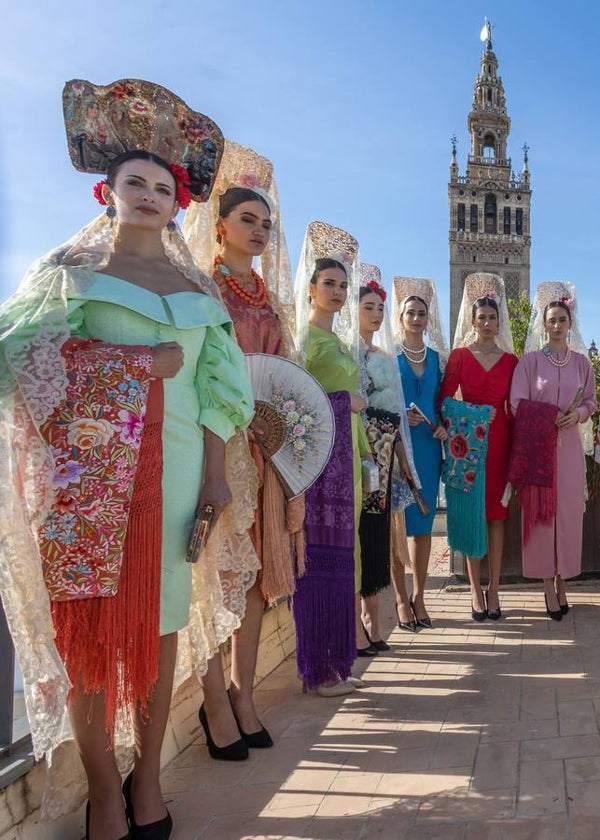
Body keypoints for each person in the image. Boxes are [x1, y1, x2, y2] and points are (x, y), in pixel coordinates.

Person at [0, 78, 255, 840]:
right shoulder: (66, 276)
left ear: (180, 203)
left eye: (162, 187)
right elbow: (17, 362)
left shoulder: (197, 289)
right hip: (84, 484)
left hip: (178, 479)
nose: (148, 195)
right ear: (105, 193)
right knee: (87, 633)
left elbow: (220, 395)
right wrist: (133, 366)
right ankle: (105, 792)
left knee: (163, 622)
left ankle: (148, 780)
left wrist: (215, 479)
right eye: (132, 183)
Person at [182, 141, 300, 760]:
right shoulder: (201, 291)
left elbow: (282, 379)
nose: (257, 231)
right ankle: (213, 704)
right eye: (246, 220)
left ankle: (243, 693)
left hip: (260, 458)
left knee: (252, 584)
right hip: (210, 451)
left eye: (265, 223)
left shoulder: (268, 302)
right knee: (210, 582)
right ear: (220, 225)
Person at [292, 221, 369, 697]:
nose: (338, 292)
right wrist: (350, 401)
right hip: (320, 464)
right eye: (329, 284)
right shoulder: (305, 342)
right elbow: (299, 400)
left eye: (343, 285)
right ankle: (317, 670)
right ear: (311, 288)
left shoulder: (337, 341)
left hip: (344, 459)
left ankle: (335, 663)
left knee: (343, 557)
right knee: (320, 559)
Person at [509, 283, 598, 619]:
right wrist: (547, 418)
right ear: (543, 324)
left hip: (571, 450)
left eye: (562, 319)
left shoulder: (581, 364)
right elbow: (516, 403)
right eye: (552, 320)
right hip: (539, 451)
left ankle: (564, 580)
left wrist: (579, 414)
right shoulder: (530, 363)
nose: (557, 325)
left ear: (570, 323)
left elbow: (591, 399)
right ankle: (547, 583)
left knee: (569, 514)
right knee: (544, 515)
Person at [439, 274, 517, 621]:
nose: (487, 323)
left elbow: (514, 408)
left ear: (499, 321)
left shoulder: (511, 361)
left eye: (492, 317)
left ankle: (495, 589)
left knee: (497, 519)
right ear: (472, 321)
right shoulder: (459, 356)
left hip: (500, 445)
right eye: (481, 317)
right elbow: (443, 399)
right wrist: (470, 417)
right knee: (473, 516)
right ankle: (474, 589)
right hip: (468, 446)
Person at [355, 266, 419, 643]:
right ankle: (359, 626)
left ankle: (373, 623)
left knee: (377, 536)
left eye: (380, 307)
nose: (376, 314)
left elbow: (393, 415)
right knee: (357, 537)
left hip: (382, 457)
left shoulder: (384, 356)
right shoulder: (346, 353)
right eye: (369, 306)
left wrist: (402, 458)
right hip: (352, 451)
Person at [392, 277, 449, 628]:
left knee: (423, 526)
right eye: (410, 313)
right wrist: (401, 418)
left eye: (421, 313)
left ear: (428, 320)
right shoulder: (389, 357)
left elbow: (442, 403)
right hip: (398, 448)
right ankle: (400, 599)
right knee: (399, 526)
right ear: (400, 317)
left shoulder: (437, 360)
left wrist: (443, 424)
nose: (416, 318)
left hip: (428, 447)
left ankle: (420, 596)